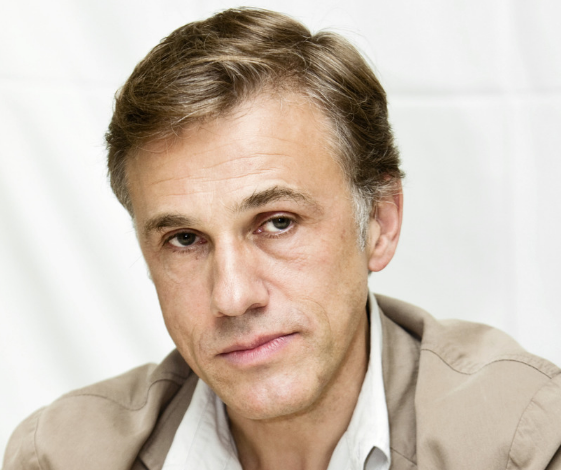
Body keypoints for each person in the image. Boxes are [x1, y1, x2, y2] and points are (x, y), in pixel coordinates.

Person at [4, 7, 561, 470]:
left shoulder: (524, 443)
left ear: (380, 222)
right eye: (185, 239)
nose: (232, 296)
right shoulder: (57, 457)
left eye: (277, 222)